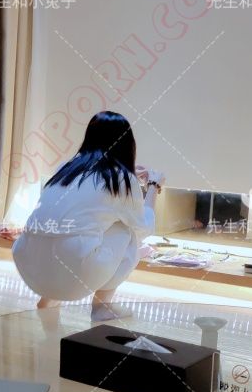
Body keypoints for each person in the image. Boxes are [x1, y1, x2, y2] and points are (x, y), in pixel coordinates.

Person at [12, 111, 165, 319]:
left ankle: (49, 299)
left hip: (29, 266)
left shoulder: (66, 168)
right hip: (74, 274)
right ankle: (102, 307)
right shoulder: (121, 179)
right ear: (127, 144)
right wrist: (153, 185)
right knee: (127, 229)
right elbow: (143, 227)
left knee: (67, 230)